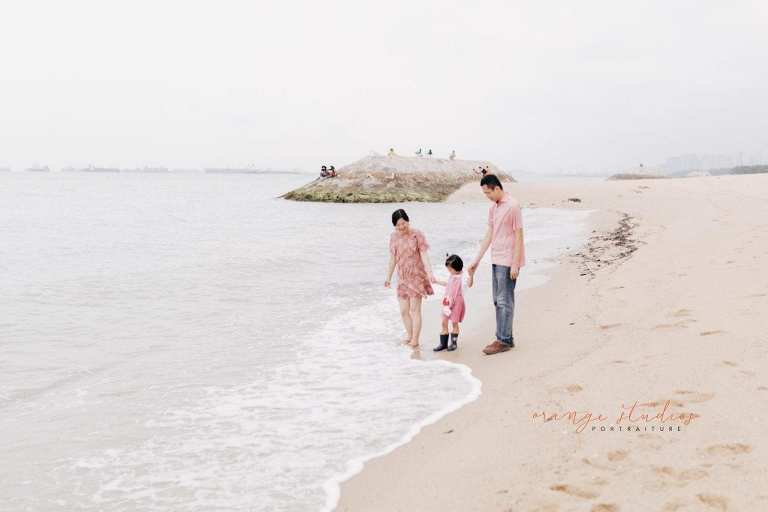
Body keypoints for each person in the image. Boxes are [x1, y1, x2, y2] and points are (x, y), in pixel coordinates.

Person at [467, 174, 525, 355]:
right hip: (496, 258)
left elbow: (519, 236)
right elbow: (490, 234)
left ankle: (504, 340)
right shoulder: (493, 208)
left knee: (504, 300)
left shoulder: (513, 206)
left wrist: (515, 264)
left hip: (508, 260)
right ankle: (504, 337)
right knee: (497, 301)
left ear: (497, 188)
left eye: (488, 193)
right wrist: (476, 260)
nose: (487, 196)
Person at [385, 209, 435, 349]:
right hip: (402, 278)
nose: (401, 227)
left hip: (416, 277)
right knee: (403, 310)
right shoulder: (394, 237)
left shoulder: (417, 235)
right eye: (398, 225)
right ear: (394, 225)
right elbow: (393, 259)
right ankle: (409, 334)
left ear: (408, 221)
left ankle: (415, 339)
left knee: (415, 310)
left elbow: (424, 255)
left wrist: (430, 273)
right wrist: (388, 277)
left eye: (403, 223)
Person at [431, 254, 472, 352]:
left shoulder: (463, 277)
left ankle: (453, 343)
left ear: (457, 267)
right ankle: (443, 344)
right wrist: (436, 282)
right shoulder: (452, 275)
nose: (449, 271)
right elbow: (447, 284)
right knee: (444, 322)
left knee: (454, 323)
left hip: (457, 302)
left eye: (450, 269)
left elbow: (469, 284)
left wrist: (471, 275)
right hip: (447, 301)